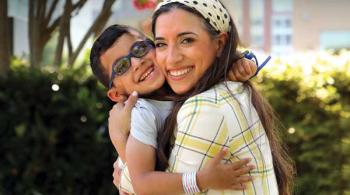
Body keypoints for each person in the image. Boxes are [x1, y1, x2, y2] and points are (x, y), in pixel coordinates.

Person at [145, 0, 295, 194]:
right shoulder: (233, 89)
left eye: (187, 40)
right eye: (161, 44)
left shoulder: (206, 107)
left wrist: (126, 170)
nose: (172, 58)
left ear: (220, 44)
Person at [90, 24, 259, 194]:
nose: (137, 62)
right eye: (121, 67)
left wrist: (239, 65)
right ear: (117, 94)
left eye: (140, 48)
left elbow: (213, 69)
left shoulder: (181, 78)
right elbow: (142, 182)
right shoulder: (143, 113)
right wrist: (202, 180)